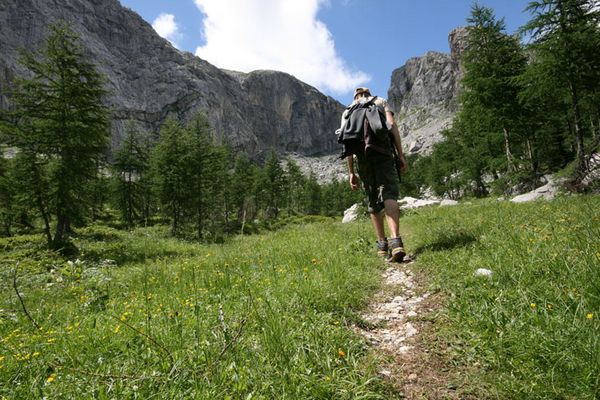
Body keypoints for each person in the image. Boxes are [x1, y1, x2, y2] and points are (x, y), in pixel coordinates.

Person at [339, 87, 408, 262]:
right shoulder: (380, 101)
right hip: (383, 153)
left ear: (355, 96)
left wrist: (351, 172)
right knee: (389, 193)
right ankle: (396, 242)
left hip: (363, 158)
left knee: (372, 198)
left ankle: (382, 247)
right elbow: (392, 126)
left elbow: (347, 145)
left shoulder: (348, 111)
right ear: (369, 94)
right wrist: (400, 155)